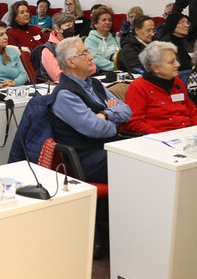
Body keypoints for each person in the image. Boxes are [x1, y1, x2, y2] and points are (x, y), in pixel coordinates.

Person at [47, 38, 133, 182]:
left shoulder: (94, 83)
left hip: (110, 148)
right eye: (84, 53)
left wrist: (106, 114)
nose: (91, 57)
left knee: (148, 150)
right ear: (70, 62)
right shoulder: (65, 94)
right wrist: (115, 121)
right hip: (89, 159)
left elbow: (127, 111)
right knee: (142, 163)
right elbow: (96, 128)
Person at [120, 41, 197, 134]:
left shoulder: (177, 82)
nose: (178, 64)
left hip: (189, 135)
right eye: (172, 62)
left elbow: (192, 113)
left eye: (176, 60)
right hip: (160, 139)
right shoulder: (139, 86)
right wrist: (163, 137)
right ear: (155, 68)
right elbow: (134, 123)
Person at [34, 12, 83, 83]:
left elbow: (92, 67)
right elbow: (58, 77)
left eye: (72, 26)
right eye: (68, 26)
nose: (71, 29)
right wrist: (82, 72)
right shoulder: (48, 50)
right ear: (57, 28)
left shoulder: (77, 43)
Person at [85, 5, 120, 72]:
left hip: (119, 72)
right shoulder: (90, 40)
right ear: (95, 24)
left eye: (110, 20)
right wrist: (116, 67)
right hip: (101, 74)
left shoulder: (116, 38)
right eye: (104, 20)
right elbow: (97, 60)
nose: (108, 22)